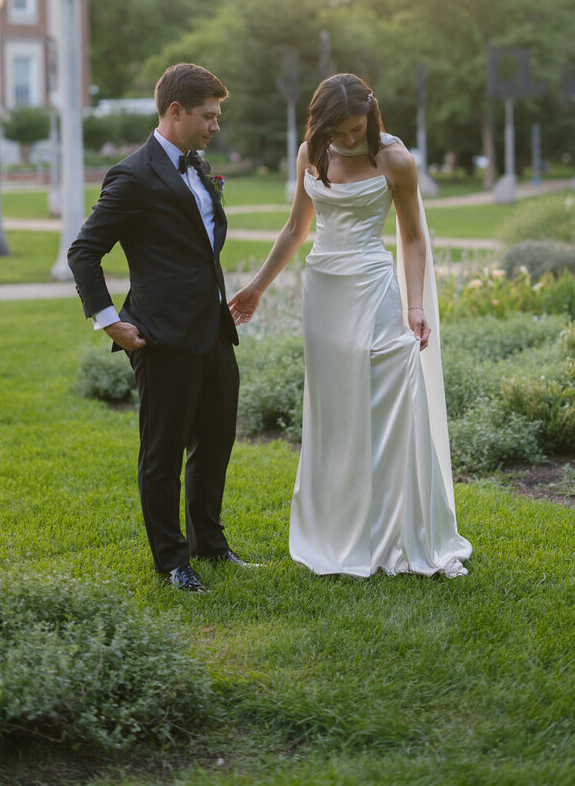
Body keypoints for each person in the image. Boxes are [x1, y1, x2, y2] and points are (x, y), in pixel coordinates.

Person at [229, 73, 471, 578]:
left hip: (375, 291)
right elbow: (295, 228)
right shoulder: (310, 153)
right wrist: (256, 287)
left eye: (356, 129)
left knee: (391, 403)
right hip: (325, 293)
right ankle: (340, 530)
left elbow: (413, 238)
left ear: (371, 116)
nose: (347, 139)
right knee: (336, 413)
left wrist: (415, 305)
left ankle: (397, 530)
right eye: (336, 131)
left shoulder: (395, 160)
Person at [68, 63, 251, 594]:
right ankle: (172, 562)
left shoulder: (200, 167)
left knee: (215, 442)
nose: (215, 125)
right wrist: (110, 322)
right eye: (208, 116)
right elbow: (84, 252)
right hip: (163, 336)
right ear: (175, 111)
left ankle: (210, 544)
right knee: (163, 454)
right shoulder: (133, 175)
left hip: (213, 331)